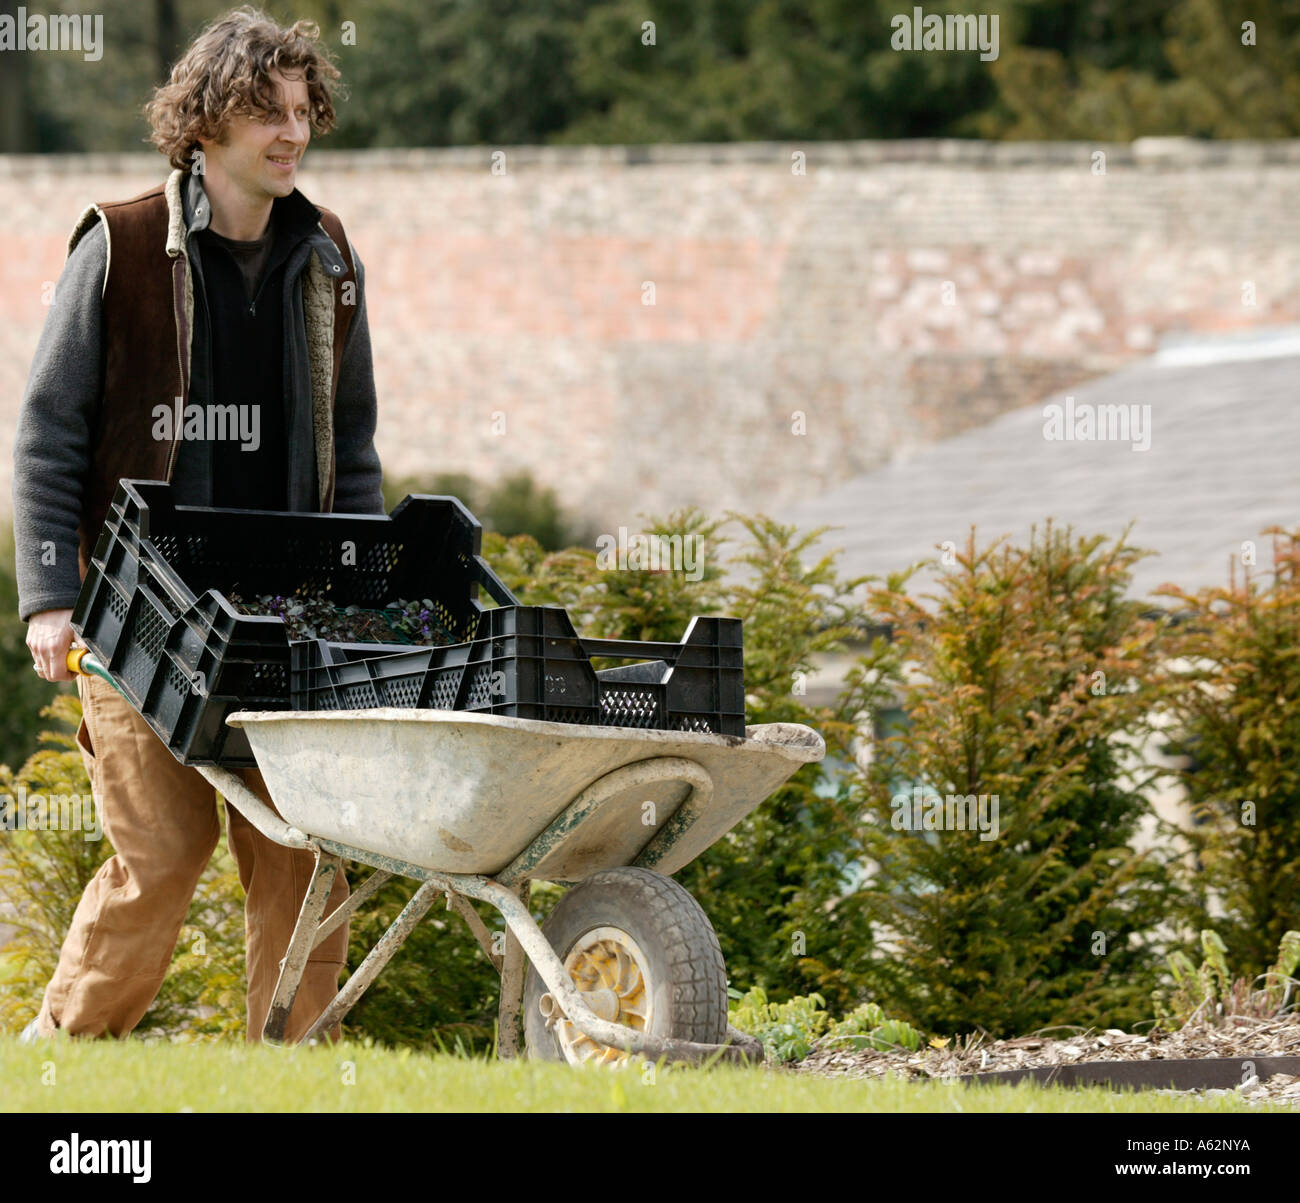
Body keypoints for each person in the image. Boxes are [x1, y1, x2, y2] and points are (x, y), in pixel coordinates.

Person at [11, 6, 384, 1043]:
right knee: (162, 857)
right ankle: (69, 1057)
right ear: (206, 121)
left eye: (304, 112)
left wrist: (361, 589)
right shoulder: (121, 245)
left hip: (285, 620)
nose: (293, 133)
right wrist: (49, 597)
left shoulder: (329, 255)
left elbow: (351, 447)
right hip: (138, 621)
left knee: (304, 852)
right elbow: (48, 433)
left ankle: (297, 1070)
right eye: (268, 111)